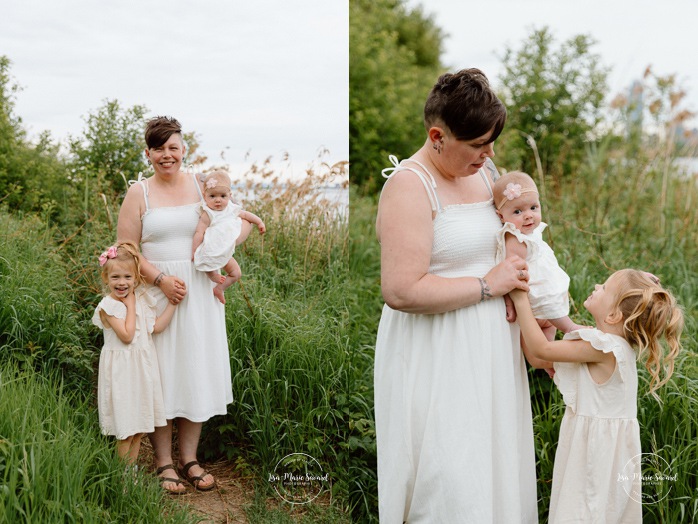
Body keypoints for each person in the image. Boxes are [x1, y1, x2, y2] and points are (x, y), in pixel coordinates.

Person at [374, 68, 538, 522]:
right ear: (437, 136)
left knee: (491, 469)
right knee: (448, 479)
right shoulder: (408, 186)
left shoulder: (485, 173)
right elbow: (401, 290)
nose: (489, 155)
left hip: (490, 351)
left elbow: (513, 237)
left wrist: (530, 305)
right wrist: (489, 286)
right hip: (436, 352)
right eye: (479, 144)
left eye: (491, 143)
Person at [117, 116, 253, 493]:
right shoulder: (138, 193)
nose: (166, 155)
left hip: (199, 292)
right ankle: (163, 462)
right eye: (158, 148)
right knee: (161, 375)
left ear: (184, 149)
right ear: (148, 154)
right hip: (157, 293)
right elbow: (126, 251)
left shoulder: (202, 185)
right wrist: (160, 280)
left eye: (172, 147)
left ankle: (190, 459)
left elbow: (235, 219)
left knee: (193, 370)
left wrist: (223, 248)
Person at [510, 269, 683, 523]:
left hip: (594, 458)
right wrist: (537, 322)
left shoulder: (604, 348)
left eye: (604, 288)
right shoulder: (613, 346)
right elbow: (538, 359)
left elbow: (541, 349)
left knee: (583, 513)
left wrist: (520, 298)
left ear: (614, 315)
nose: (596, 284)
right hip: (603, 455)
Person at [92, 242, 177, 472]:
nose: (122, 283)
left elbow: (156, 327)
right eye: (116, 277)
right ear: (106, 278)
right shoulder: (108, 306)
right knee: (126, 428)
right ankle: (122, 477)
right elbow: (128, 336)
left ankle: (131, 473)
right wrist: (130, 305)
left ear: (136, 277)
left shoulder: (140, 300)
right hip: (122, 374)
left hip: (141, 371)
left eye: (127, 277)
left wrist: (173, 305)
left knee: (139, 427)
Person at [493, 170, 584, 369]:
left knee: (548, 338)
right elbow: (511, 274)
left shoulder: (530, 232)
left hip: (546, 299)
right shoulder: (516, 239)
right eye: (517, 212)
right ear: (501, 216)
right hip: (535, 300)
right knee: (541, 339)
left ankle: (551, 365)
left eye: (534, 207)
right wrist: (509, 302)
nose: (528, 216)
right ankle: (569, 328)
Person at [192, 169, 266, 304]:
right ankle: (213, 275)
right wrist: (195, 251)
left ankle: (220, 288)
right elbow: (199, 233)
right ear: (205, 196)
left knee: (236, 273)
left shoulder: (231, 209)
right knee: (209, 264)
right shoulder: (207, 213)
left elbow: (246, 215)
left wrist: (259, 222)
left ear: (229, 195)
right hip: (212, 249)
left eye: (223, 196)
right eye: (212, 196)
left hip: (225, 250)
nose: (218, 200)